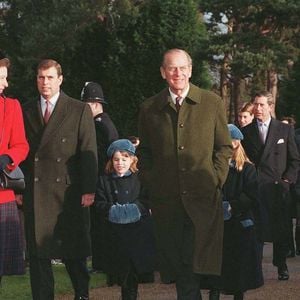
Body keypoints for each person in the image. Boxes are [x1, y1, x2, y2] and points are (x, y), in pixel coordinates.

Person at [137, 48, 232, 299]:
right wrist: (152, 181)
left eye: (182, 68)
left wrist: (215, 179)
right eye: (171, 68)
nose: (177, 73)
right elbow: (144, 152)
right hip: (167, 202)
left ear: (190, 70)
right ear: (163, 72)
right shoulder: (150, 108)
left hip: (203, 199)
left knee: (196, 261)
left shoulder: (211, 103)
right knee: (180, 264)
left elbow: (223, 147)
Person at [21, 59, 98, 300]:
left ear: (60, 79)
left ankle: (81, 294)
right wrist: (19, 188)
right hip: (36, 191)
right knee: (39, 255)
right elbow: (24, 152)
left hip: (68, 192)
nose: (45, 82)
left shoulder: (78, 109)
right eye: (41, 78)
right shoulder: (26, 109)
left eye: (50, 77)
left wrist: (89, 189)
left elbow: (89, 151)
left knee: (73, 253)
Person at [241, 91, 300, 281]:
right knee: (257, 229)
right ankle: (255, 268)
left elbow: (294, 159)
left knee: (281, 230)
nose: (258, 109)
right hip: (257, 188)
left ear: (270, 106)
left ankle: (281, 265)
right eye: (256, 105)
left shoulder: (284, 130)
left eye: (262, 105)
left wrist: (286, 181)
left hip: (278, 189)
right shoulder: (247, 132)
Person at [95, 139, 155, 300]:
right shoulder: (104, 181)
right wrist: (112, 210)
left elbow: (147, 199)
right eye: (116, 159)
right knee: (121, 273)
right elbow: (99, 203)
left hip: (137, 234)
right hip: (115, 235)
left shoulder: (140, 179)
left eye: (124, 158)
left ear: (132, 160)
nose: (120, 163)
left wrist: (135, 209)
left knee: (132, 274)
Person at [208, 124, 263, 300]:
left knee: (238, 269)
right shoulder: (212, 167)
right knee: (215, 268)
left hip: (239, 222)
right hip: (216, 223)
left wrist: (233, 206)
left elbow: (252, 194)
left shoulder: (247, 168)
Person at [81, 81, 118, 274]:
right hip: (102, 178)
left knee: (99, 223)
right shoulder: (105, 123)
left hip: (101, 179)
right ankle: (101, 262)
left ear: (95, 104)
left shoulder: (100, 125)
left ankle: (101, 263)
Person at [0, 50, 29, 283]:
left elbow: (21, 144)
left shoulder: (11, 106)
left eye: (5, 77)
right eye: (1, 77)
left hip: (2, 195)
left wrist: (7, 157)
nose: (5, 83)